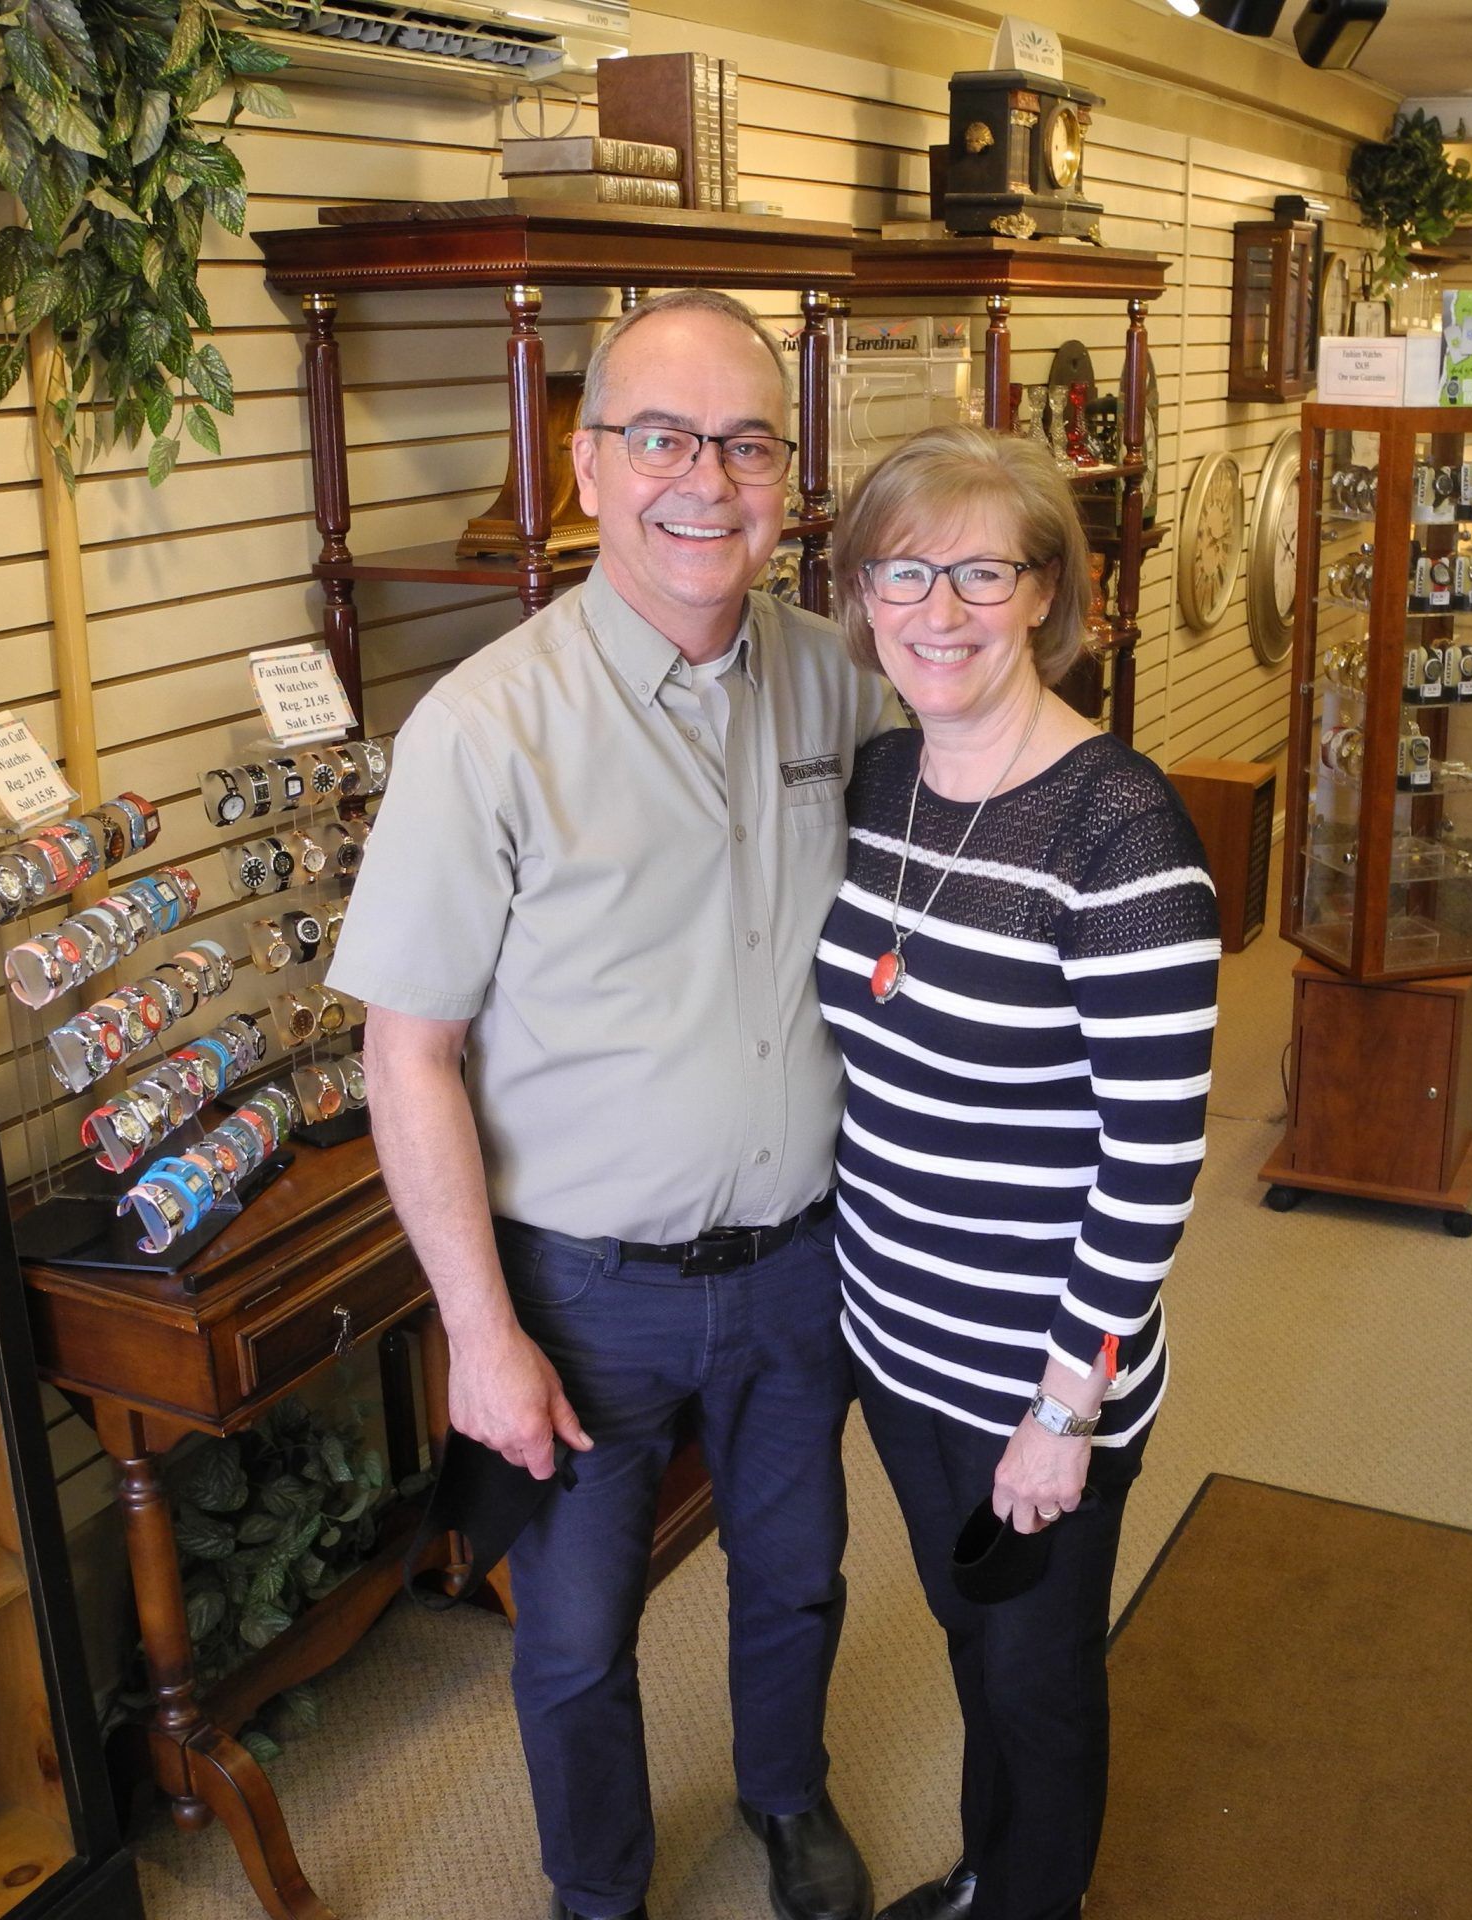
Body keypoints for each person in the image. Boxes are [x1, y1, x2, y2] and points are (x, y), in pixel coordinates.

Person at [328, 287, 889, 1920]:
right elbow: (405, 1055)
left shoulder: (840, 685)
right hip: (579, 1298)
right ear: (586, 469)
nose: (705, 480)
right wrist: (479, 1331)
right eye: (663, 438)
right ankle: (598, 1896)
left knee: (796, 1582)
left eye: (746, 442)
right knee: (575, 1643)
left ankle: (788, 1800)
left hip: (805, 1265)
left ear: (789, 475)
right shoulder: (484, 730)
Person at [813, 426, 1220, 1920]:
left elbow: (1153, 1161)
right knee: (975, 1645)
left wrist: (1064, 1409)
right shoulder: (879, 785)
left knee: (1039, 1692)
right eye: (904, 571)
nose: (939, 609)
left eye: (983, 571)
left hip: (1039, 1382)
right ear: (863, 593)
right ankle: (991, 1880)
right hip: (895, 1343)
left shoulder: (1120, 835)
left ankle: (1026, 1895)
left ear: (1049, 592)